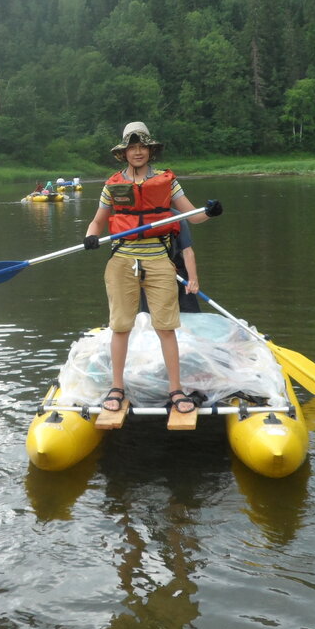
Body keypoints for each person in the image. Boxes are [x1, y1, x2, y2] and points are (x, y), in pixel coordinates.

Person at [83, 122, 222, 416]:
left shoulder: (167, 181)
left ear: (150, 150)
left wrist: (209, 212)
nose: (137, 152)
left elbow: (193, 216)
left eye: (142, 146)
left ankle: (176, 389)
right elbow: (97, 221)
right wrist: (90, 236)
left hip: (159, 261)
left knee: (166, 327)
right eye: (132, 147)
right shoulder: (112, 185)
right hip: (122, 260)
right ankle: (117, 387)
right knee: (120, 326)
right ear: (124, 152)